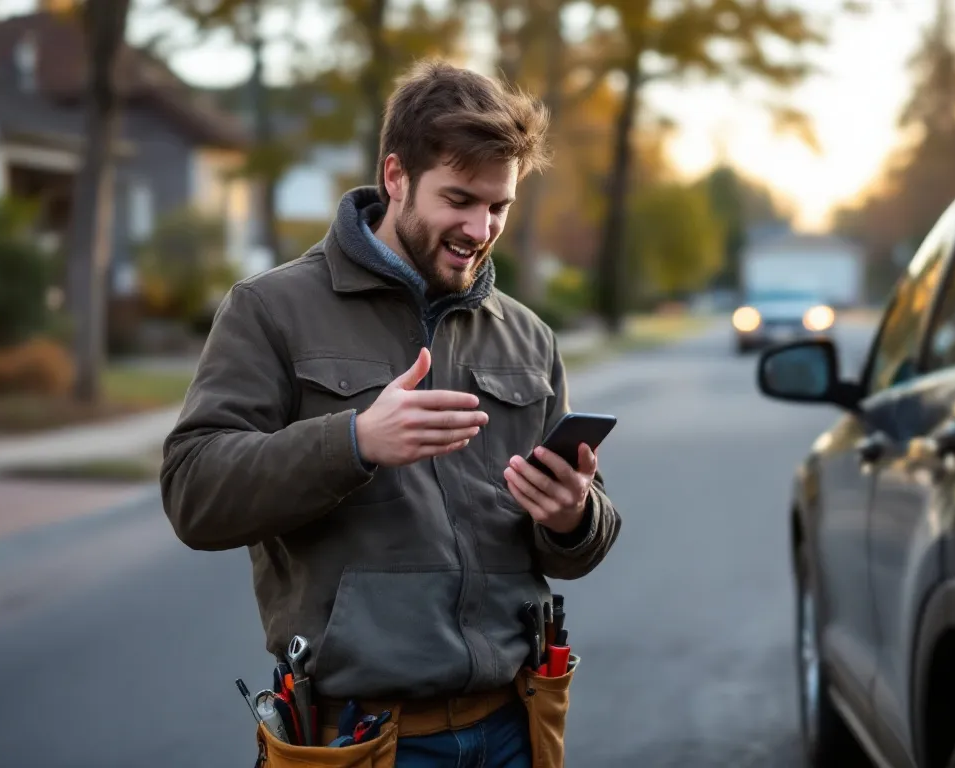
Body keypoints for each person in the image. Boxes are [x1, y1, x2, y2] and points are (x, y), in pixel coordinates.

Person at [160, 59, 622, 767]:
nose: (480, 228)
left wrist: (572, 517)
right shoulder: (271, 310)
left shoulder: (528, 335)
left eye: (499, 206)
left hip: (515, 727)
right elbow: (193, 493)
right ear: (396, 177)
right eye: (460, 199)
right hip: (361, 739)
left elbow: (583, 538)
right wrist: (354, 441)